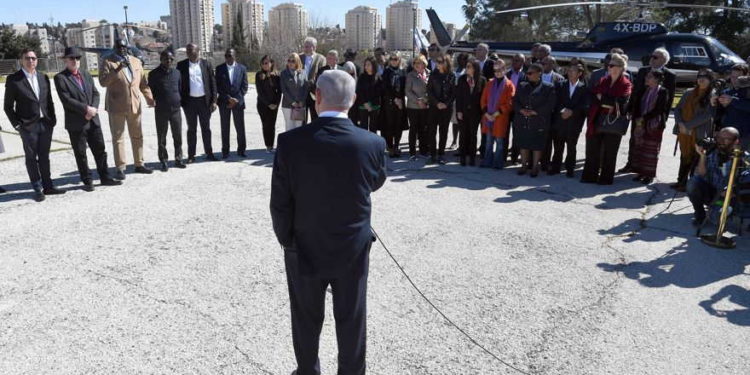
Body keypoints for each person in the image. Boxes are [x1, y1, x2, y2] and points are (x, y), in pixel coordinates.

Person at [270, 69, 386, 375]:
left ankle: (308, 370)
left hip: (304, 246)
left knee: (306, 318)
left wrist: (287, 241)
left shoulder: (290, 142)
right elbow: (375, 182)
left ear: (317, 97)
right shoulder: (372, 143)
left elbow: (280, 202)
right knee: (352, 316)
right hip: (352, 246)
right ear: (354, 100)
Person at [54, 47, 122, 190]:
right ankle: (87, 180)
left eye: (77, 58)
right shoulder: (60, 78)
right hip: (77, 123)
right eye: (71, 58)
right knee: (81, 153)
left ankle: (105, 177)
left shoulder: (86, 74)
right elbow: (66, 100)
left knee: (100, 151)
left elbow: (95, 93)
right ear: (65, 60)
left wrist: (93, 109)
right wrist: (86, 109)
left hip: (93, 120)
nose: (75, 61)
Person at [4, 48, 63, 202]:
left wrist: (53, 120)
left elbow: (49, 101)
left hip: (45, 124)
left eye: (33, 58)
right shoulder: (14, 80)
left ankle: (48, 186)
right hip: (27, 126)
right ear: (21, 60)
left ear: (37, 60)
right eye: (27, 58)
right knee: (31, 158)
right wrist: (17, 125)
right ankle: (37, 187)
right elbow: (8, 106)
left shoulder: (43, 77)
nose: (31, 61)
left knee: (44, 156)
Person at [99, 39, 155, 178]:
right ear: (114, 48)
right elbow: (103, 82)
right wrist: (117, 69)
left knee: (137, 136)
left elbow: (142, 83)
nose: (122, 50)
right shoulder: (108, 61)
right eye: (119, 47)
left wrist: (149, 98)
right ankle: (120, 167)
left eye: (124, 47)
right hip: (116, 106)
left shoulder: (136, 61)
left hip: (134, 105)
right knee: (118, 138)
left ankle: (139, 164)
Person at [620, 47, 676, 173]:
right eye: (651, 56)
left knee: (650, 144)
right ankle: (631, 164)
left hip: (655, 116)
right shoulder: (642, 71)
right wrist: (630, 109)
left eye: (655, 57)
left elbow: (669, 100)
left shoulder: (669, 76)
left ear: (664, 60)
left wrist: (663, 119)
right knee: (635, 139)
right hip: (639, 113)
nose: (651, 59)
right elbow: (635, 91)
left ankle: (646, 170)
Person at [581, 53, 632, 185]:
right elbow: (593, 95)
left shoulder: (626, 83)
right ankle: (590, 176)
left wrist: (602, 98)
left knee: (610, 151)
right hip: (597, 118)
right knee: (593, 148)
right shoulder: (604, 80)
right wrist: (607, 100)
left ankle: (605, 178)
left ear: (621, 67)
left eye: (612, 65)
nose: (609, 67)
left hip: (613, 121)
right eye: (609, 65)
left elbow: (621, 101)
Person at [686, 127, 744, 225]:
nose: (721, 141)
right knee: (693, 182)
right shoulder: (712, 152)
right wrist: (702, 156)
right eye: (719, 138)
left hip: (729, 197)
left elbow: (746, 182)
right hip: (711, 192)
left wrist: (732, 190)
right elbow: (701, 174)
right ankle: (700, 214)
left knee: (716, 220)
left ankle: (726, 212)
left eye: (726, 139)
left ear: (736, 141)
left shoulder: (743, 158)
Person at [672, 69, 716, 191]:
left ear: (710, 79)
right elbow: (677, 109)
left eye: (705, 77)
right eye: (699, 76)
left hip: (699, 132)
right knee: (684, 157)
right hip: (683, 131)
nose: (701, 79)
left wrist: (688, 126)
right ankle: (681, 182)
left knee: (696, 159)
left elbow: (708, 115)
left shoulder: (712, 95)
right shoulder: (688, 92)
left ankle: (692, 185)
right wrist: (680, 123)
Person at [176, 43, 218, 163]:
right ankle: (191, 155)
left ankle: (209, 153)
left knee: (206, 128)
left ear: (198, 51)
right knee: (191, 129)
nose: (190, 53)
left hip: (205, 102)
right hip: (189, 103)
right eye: (188, 51)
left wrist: (214, 101)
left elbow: (212, 83)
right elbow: (178, 84)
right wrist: (181, 101)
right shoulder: (181, 65)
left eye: (192, 51)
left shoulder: (206, 64)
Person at [512, 63, 556, 177]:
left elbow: (550, 104)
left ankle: (535, 167)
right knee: (523, 143)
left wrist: (535, 112)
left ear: (539, 74)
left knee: (537, 144)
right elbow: (515, 101)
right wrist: (521, 110)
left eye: (530, 73)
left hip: (538, 120)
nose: (528, 75)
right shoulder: (522, 85)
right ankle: (523, 165)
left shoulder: (548, 87)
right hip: (523, 119)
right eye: (527, 73)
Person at [629, 69, 670, 184]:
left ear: (657, 79)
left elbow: (660, 109)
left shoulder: (662, 91)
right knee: (640, 148)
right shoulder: (644, 90)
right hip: (641, 123)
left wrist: (644, 118)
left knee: (651, 150)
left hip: (654, 124)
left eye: (650, 77)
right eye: (647, 76)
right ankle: (640, 172)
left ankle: (649, 175)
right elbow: (637, 105)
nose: (646, 79)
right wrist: (637, 118)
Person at [148, 50, 186, 171]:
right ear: (161, 59)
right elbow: (151, 92)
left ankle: (178, 158)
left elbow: (180, 89)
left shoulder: (177, 73)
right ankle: (163, 160)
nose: (168, 61)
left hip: (175, 110)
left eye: (170, 59)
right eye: (166, 59)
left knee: (178, 135)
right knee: (162, 137)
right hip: (161, 110)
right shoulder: (153, 74)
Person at [549, 63, 589, 177]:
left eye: (573, 71)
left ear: (579, 73)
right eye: (569, 71)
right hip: (560, 121)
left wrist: (572, 112)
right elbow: (555, 100)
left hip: (574, 123)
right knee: (558, 146)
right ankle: (555, 167)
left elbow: (585, 105)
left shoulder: (584, 88)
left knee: (572, 147)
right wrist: (563, 110)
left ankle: (569, 169)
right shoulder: (560, 84)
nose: (570, 73)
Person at [480, 59, 515, 169]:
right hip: (488, 118)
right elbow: (483, 100)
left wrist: (495, 114)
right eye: (495, 70)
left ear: (505, 70)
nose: (497, 72)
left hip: (500, 118)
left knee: (500, 143)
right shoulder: (490, 83)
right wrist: (486, 114)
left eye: (500, 69)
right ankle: (487, 162)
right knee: (489, 142)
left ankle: (498, 163)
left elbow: (510, 103)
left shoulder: (509, 85)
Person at [216, 48, 249, 158]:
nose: (228, 58)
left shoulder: (242, 68)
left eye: (230, 55)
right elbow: (218, 87)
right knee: (225, 128)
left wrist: (236, 100)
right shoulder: (219, 69)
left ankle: (241, 150)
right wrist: (228, 98)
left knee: (240, 128)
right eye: (226, 56)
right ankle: (225, 151)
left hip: (238, 103)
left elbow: (244, 87)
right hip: (224, 102)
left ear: (235, 56)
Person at [426, 55, 455, 164]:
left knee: (444, 131)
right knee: (432, 131)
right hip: (434, 107)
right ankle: (433, 154)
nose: (438, 64)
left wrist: (446, 104)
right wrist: (437, 103)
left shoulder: (451, 75)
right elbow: (429, 90)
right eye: (437, 62)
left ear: (446, 63)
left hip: (447, 108)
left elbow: (453, 93)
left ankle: (441, 154)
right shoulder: (433, 74)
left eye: (441, 62)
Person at [716, 64, 750, 148]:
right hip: (727, 136)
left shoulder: (748, 92)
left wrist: (732, 100)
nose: (734, 80)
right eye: (732, 77)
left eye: (738, 77)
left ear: (745, 77)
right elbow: (718, 114)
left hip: (745, 136)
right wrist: (715, 102)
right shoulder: (726, 92)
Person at [381, 54, 408, 157]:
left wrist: (401, 99)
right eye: (391, 59)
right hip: (389, 102)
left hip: (400, 102)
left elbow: (404, 87)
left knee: (399, 125)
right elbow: (385, 87)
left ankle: (397, 146)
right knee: (389, 125)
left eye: (395, 59)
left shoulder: (402, 72)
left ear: (399, 60)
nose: (393, 61)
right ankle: (390, 147)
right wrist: (394, 98)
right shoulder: (387, 71)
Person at [406, 55, 431, 160]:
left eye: (419, 62)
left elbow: (431, 89)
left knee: (423, 129)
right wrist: (418, 100)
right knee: (413, 129)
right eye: (415, 63)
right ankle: (412, 152)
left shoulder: (429, 73)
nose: (417, 65)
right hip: (413, 107)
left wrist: (425, 100)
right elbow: (407, 91)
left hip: (425, 106)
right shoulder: (410, 75)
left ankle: (423, 151)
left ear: (424, 64)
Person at [256, 55, 282, 152]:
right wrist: (268, 104)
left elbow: (279, 91)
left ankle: (272, 145)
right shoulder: (259, 75)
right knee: (266, 125)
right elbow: (260, 92)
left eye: (267, 63)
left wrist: (276, 103)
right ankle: (268, 146)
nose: (265, 65)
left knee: (272, 125)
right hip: (263, 105)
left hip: (274, 105)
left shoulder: (276, 75)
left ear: (271, 63)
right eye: (263, 63)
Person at [505, 53, 527, 165]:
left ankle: (514, 157)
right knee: (504, 132)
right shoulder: (507, 74)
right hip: (506, 108)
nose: (515, 62)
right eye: (514, 60)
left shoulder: (526, 75)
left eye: (517, 60)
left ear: (523, 62)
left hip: (519, 109)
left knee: (517, 134)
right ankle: (503, 156)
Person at [280, 53, 308, 132]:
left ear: (297, 62)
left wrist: (302, 101)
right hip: (288, 105)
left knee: (299, 128)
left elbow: (305, 88)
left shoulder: (303, 72)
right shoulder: (283, 73)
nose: (290, 63)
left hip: (300, 105)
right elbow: (284, 90)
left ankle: (297, 144)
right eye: (289, 61)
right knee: (289, 127)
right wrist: (292, 102)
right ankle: (289, 144)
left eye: (293, 61)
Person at [355, 57, 383, 134]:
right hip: (363, 105)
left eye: (368, 65)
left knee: (373, 127)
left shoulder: (378, 77)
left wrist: (371, 104)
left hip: (375, 106)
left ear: (373, 65)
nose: (366, 67)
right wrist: (366, 103)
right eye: (365, 65)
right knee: (363, 127)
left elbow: (379, 93)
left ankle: (372, 144)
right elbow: (359, 91)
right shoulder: (361, 77)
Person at [301, 37, 326, 122]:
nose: (306, 49)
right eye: (305, 46)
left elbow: (322, 75)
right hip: (301, 93)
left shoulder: (321, 58)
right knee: (301, 120)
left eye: (308, 46)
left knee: (315, 119)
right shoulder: (299, 57)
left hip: (314, 93)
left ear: (314, 47)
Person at [450, 53, 469, 150]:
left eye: (463, 59)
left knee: (463, 122)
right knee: (455, 122)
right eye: (460, 59)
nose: (461, 61)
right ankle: (454, 141)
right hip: (455, 99)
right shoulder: (454, 71)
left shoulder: (468, 71)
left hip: (464, 100)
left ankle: (463, 142)